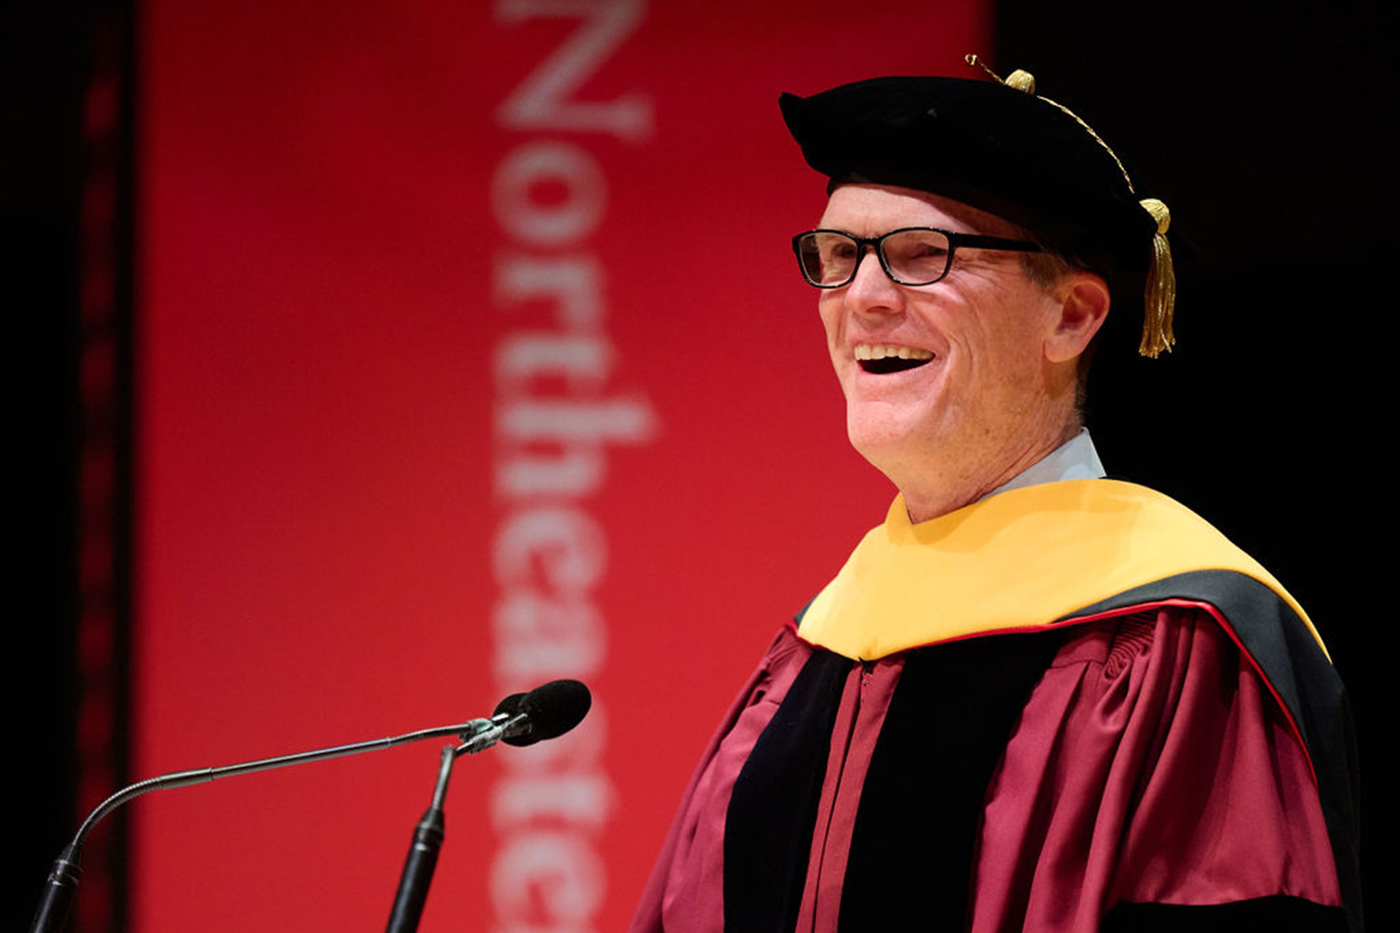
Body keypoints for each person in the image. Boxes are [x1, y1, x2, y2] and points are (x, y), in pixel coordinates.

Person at [629, 61, 1361, 933]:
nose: (860, 297)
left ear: (1073, 317)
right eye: (837, 257)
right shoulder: (817, 649)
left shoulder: (1175, 634)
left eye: (918, 255)